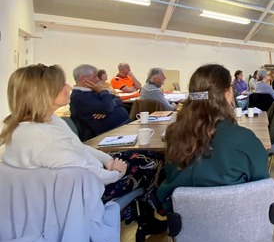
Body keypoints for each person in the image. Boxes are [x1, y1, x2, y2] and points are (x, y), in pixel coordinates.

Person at [0, 64, 165, 227]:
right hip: (85, 192)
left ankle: (142, 214)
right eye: (62, 84)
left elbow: (78, 148)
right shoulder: (43, 137)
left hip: (85, 179)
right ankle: (144, 215)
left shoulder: (46, 122)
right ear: (44, 93)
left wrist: (107, 160)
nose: (69, 86)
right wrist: (116, 172)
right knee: (152, 162)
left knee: (147, 156)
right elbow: (84, 174)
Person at [157, 64, 269, 211]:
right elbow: (262, 187)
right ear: (228, 94)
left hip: (185, 224)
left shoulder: (173, 134)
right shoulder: (245, 139)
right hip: (238, 222)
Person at [70, 64, 130, 136]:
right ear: (84, 79)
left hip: (122, 127)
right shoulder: (79, 97)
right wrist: (102, 91)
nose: (98, 79)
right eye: (95, 76)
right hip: (109, 134)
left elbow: (118, 99)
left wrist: (109, 104)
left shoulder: (93, 90)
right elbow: (107, 108)